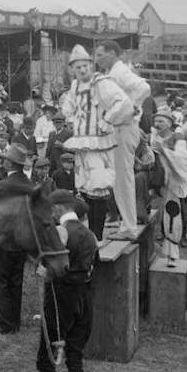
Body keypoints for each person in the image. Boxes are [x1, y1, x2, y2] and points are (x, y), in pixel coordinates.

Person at [22, 189, 97, 372]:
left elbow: (52, 268)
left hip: (59, 297)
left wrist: (41, 269)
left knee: (47, 356)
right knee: (75, 355)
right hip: (84, 298)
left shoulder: (60, 232)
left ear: (58, 209)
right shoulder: (90, 233)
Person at [61, 44, 134, 241]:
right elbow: (68, 105)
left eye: (85, 66)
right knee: (85, 187)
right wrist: (69, 116)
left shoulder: (101, 82)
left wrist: (107, 119)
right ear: (73, 69)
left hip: (99, 142)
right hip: (81, 142)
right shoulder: (75, 86)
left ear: (90, 65)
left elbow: (123, 102)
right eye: (78, 68)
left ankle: (98, 237)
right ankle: (91, 236)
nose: (82, 70)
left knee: (99, 187)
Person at [94, 40, 151, 241]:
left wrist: (132, 107)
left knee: (123, 178)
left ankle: (128, 228)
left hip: (124, 128)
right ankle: (125, 224)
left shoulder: (120, 71)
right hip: (118, 129)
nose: (97, 58)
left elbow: (143, 88)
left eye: (101, 54)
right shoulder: (111, 73)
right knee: (118, 178)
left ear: (111, 53)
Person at [0, 143, 33, 334]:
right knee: (15, 282)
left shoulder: (4, 185)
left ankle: (5, 323)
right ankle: (14, 321)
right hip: (22, 241)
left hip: (3, 241)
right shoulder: (28, 184)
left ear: (10, 164)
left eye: (5, 160)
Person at [150, 109, 187, 265]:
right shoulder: (154, 138)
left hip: (174, 183)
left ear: (169, 123)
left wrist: (165, 152)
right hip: (158, 181)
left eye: (161, 121)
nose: (157, 124)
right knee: (163, 213)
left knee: (172, 212)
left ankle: (172, 255)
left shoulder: (177, 138)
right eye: (156, 121)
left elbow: (185, 158)